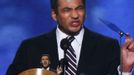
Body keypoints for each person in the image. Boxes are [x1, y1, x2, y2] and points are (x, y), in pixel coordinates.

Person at [6, 0, 134, 75]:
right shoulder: (30, 47)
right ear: (54, 15)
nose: (75, 15)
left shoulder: (107, 46)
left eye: (79, 9)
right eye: (67, 10)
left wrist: (125, 69)